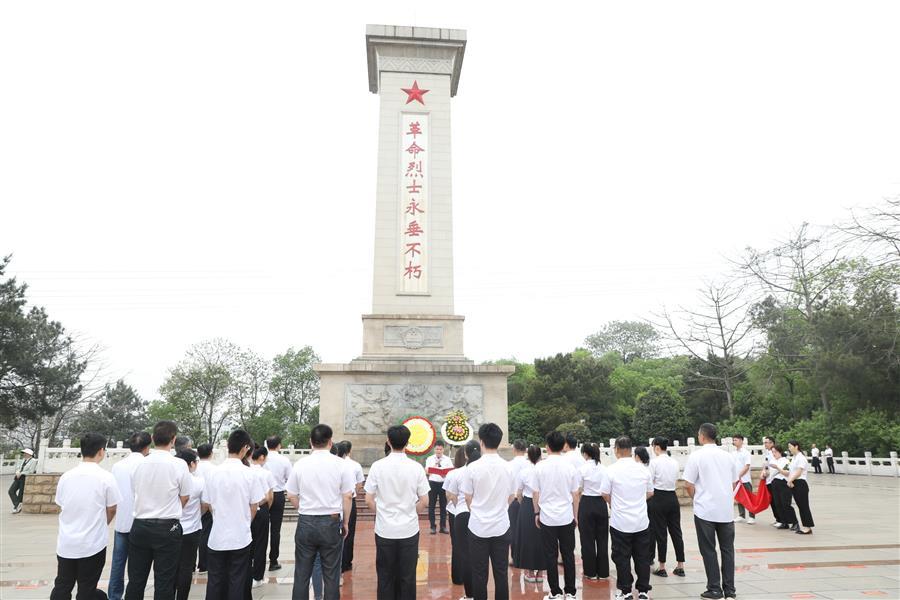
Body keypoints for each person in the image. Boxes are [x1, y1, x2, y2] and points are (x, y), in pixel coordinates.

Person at [286, 424, 355, 600]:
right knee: (331, 575)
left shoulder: (301, 464)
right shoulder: (341, 464)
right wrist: (345, 522)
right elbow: (347, 496)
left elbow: (291, 494)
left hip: (306, 521)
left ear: (311, 442)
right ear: (330, 442)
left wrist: (303, 509)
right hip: (331, 521)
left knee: (301, 574)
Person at [125, 420, 192, 600]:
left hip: (140, 526)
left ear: (153, 438)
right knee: (164, 581)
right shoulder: (179, 465)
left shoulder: (139, 464)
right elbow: (185, 496)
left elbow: (135, 491)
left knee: (136, 580)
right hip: (167, 528)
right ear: (174, 439)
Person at [50, 432, 120, 600]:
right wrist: (103, 523)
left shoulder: (66, 476)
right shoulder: (106, 477)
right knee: (87, 587)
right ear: (101, 451)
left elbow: (61, 504)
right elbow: (112, 508)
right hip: (92, 543)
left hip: (67, 542)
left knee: (63, 584)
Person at [364, 425, 430, 599]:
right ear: (407, 443)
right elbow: (424, 500)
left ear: (388, 441)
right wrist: (410, 512)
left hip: (385, 530)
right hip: (408, 530)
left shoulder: (377, 466)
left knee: (385, 576)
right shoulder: (416, 467)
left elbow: (368, 499)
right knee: (407, 577)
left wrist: (384, 513)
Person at [203, 430, 264, 600]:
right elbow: (254, 506)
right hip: (240, 536)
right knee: (237, 579)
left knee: (215, 580)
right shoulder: (249, 473)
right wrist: (244, 521)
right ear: (245, 448)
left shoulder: (213, 473)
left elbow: (207, 504)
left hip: (217, 536)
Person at [459, 423, 515, 600]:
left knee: (479, 574)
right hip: (501, 525)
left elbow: (468, 497)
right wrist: (501, 507)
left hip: (478, 527)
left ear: (481, 442)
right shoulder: (508, 467)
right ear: (498, 441)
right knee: (501, 572)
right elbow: (512, 495)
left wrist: (477, 510)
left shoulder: (472, 467)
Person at [683, 423, 738, 600]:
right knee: (728, 550)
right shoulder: (728, 456)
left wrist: (697, 499)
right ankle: (730, 590)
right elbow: (734, 482)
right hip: (726, 510)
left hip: (705, 510)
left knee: (708, 549)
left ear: (702, 436)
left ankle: (714, 588)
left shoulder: (697, 456)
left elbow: (688, 484)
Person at [600, 436, 653, 600]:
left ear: (616, 450)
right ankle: (643, 590)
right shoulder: (643, 470)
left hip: (620, 521)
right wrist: (637, 501)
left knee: (621, 557)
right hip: (641, 522)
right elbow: (650, 492)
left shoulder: (611, 470)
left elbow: (604, 493)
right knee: (642, 557)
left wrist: (614, 504)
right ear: (631, 450)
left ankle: (625, 591)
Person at [534, 430, 580, 600]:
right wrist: (576, 515)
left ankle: (555, 592)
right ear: (563, 446)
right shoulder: (570, 467)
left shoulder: (540, 466)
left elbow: (535, 493)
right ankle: (571, 592)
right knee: (568, 554)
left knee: (550, 555)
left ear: (547, 447)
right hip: (566, 516)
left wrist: (536, 513)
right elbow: (575, 494)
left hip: (547, 517)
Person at [109, 431, 151, 600]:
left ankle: (114, 596)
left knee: (118, 563)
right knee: (138, 567)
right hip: (142, 522)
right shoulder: (147, 465)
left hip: (122, 522)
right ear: (148, 446)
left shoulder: (118, 466)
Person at [447, 441, 480, 599]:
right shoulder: (485, 471)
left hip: (462, 514)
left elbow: (452, 496)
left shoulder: (457, 473)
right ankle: (481, 593)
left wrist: (459, 506)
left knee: (464, 555)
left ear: (465, 454)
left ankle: (470, 595)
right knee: (480, 556)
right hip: (480, 516)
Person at [648, 437, 684, 579]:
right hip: (672, 496)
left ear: (657, 447)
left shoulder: (654, 463)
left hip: (659, 497)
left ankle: (662, 566)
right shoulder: (674, 462)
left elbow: (650, 482)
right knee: (676, 532)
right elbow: (676, 478)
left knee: (660, 533)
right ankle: (680, 565)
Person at [174, 448, 205, 600]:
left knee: (171, 566)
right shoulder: (198, 482)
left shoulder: (172, 480)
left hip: (172, 529)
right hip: (192, 529)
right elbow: (205, 504)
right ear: (191, 463)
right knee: (186, 567)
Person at [578, 443, 609, 581]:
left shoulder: (582, 469)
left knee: (587, 539)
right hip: (601, 503)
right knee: (602, 538)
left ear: (586, 454)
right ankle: (603, 572)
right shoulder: (604, 469)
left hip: (587, 503)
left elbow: (579, 489)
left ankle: (590, 571)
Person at [516, 445, 545, 585]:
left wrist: (524, 505)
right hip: (545, 504)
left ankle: (529, 571)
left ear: (528, 456)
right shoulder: (545, 469)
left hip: (528, 504)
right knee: (542, 538)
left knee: (527, 538)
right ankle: (541, 572)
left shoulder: (525, 471)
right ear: (540, 455)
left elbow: (519, 493)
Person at [264, 435, 291, 572]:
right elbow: (289, 478)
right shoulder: (284, 460)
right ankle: (273, 561)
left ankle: (258, 560)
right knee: (275, 530)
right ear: (279, 445)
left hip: (263, 496)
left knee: (261, 530)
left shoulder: (261, 458)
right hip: (278, 494)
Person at [250, 446, 277, 588]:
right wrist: (266, 509)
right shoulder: (266, 473)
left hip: (247, 510)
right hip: (262, 511)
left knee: (248, 543)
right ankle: (257, 577)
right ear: (261, 457)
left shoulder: (246, 471)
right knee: (261, 544)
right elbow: (270, 496)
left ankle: (246, 574)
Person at [443, 447, 469, 591]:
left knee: (457, 544)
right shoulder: (472, 472)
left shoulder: (453, 473)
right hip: (469, 511)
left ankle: (457, 576)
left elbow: (448, 494)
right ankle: (468, 576)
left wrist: (455, 504)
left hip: (455, 511)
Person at [339, 440, 365, 574]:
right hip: (350, 500)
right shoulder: (355, 465)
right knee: (349, 533)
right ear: (350, 450)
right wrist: (353, 491)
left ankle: (336, 562)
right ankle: (346, 562)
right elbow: (359, 484)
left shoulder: (335, 464)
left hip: (336, 502)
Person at [506, 439, 529, 568]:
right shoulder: (530, 464)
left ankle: (514, 557)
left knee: (514, 529)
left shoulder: (509, 465)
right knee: (527, 530)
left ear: (514, 449)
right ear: (525, 450)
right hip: (527, 500)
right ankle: (525, 557)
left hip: (513, 499)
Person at [195, 442, 216, 574]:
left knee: (192, 534)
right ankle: (203, 564)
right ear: (211, 454)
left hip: (193, 504)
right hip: (208, 503)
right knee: (205, 534)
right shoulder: (214, 468)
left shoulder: (194, 467)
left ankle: (190, 564)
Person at [766, 445, 797, 531]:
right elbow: (769, 472)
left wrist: (777, 467)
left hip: (783, 483)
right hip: (774, 483)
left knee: (786, 504)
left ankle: (795, 522)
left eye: (775, 452)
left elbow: (786, 473)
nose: (774, 454)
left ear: (780, 452)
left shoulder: (786, 461)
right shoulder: (772, 461)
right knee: (778, 504)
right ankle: (784, 522)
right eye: (772, 452)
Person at [785, 441, 814, 535]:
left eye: (790, 446)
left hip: (800, 483)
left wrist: (790, 480)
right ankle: (805, 525)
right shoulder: (794, 458)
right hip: (795, 482)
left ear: (796, 446)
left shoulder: (801, 458)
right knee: (800, 506)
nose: (789, 448)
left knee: (804, 506)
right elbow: (791, 471)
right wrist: (790, 479)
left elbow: (799, 471)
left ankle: (807, 527)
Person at [425, 441, 452, 534]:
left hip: (443, 484)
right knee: (431, 506)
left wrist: (446, 474)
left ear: (443, 449)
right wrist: (435, 466)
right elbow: (427, 471)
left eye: (440, 449)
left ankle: (443, 526)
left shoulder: (447, 459)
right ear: (434, 449)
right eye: (437, 449)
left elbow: (451, 472)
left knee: (443, 506)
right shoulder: (430, 459)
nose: (439, 451)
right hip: (433, 483)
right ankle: (432, 526)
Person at [732, 434, 755, 524]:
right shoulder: (733, 453)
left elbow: (747, 466)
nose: (734, 442)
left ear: (741, 441)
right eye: (733, 440)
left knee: (749, 498)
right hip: (736, 480)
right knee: (739, 498)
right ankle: (741, 515)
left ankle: (752, 516)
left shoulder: (746, 452)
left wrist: (739, 476)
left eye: (736, 440)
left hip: (745, 479)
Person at [8, 447, 36, 513]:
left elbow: (31, 471)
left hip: (24, 478)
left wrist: (22, 473)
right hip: (18, 477)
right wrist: (17, 472)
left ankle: (16, 508)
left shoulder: (33, 461)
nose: (24, 454)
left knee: (21, 493)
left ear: (29, 454)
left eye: (25, 453)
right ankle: (18, 505)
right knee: (11, 491)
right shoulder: (22, 460)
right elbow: (18, 467)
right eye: (24, 453)